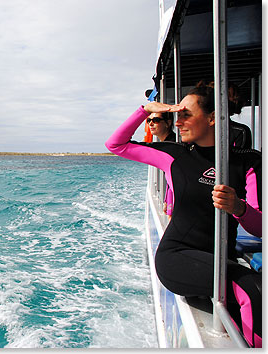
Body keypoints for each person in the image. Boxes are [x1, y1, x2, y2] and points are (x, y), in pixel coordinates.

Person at [105, 81, 262, 347]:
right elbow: (115, 145)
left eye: (186, 114)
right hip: (177, 256)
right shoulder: (175, 155)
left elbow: (260, 227)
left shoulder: (248, 161)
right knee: (254, 289)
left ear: (212, 118)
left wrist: (239, 208)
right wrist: (144, 110)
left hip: (218, 259)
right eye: (177, 116)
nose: (178, 123)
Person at [147, 111, 176, 216]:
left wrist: (170, 204)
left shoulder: (171, 146)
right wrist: (167, 200)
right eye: (149, 120)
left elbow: (174, 178)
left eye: (156, 120)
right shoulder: (165, 144)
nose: (151, 124)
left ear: (168, 123)